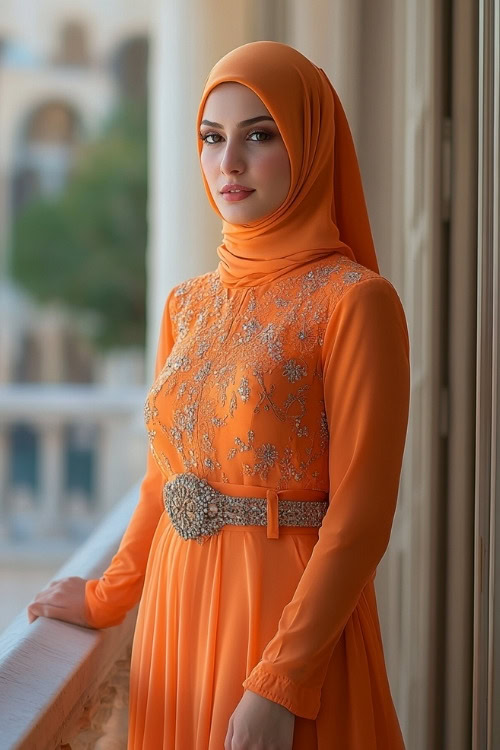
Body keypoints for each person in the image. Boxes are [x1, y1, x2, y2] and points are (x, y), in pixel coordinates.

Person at [27, 40, 410, 749]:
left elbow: (361, 517)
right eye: (211, 139)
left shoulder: (356, 303)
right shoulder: (187, 305)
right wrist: (107, 595)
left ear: (310, 143)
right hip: (177, 607)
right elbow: (161, 480)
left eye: (259, 135)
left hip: (284, 620)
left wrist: (281, 681)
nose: (227, 163)